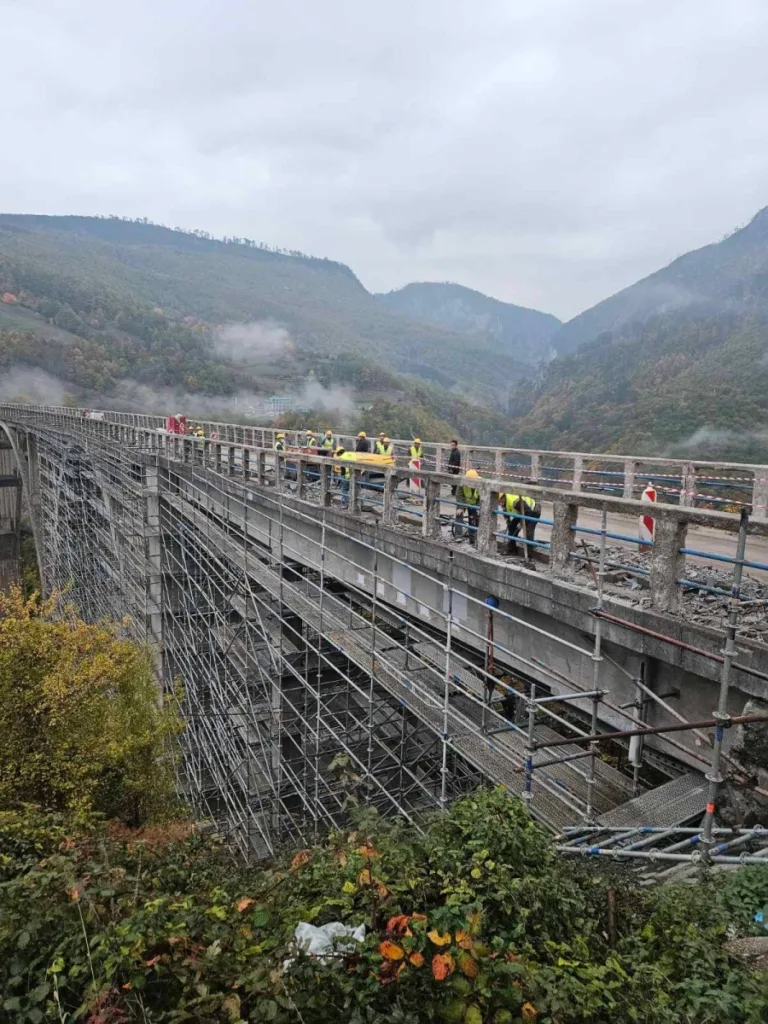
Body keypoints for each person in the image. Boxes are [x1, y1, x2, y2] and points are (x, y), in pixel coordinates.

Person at [500, 492, 541, 557]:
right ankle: (512, 550)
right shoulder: (503, 503)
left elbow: (528, 512)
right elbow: (505, 513)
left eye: (501, 499)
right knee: (512, 527)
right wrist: (508, 522)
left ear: (504, 497)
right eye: (499, 501)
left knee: (528, 531)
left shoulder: (515, 502)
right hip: (521, 512)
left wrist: (521, 524)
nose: (500, 502)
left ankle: (529, 555)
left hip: (533, 511)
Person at [456, 469, 481, 545]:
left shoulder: (481, 483)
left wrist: (478, 507)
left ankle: (473, 540)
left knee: (473, 519)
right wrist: (460, 507)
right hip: (464, 502)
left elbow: (481, 498)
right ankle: (458, 536)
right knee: (459, 515)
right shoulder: (462, 482)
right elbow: (459, 495)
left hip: (474, 504)